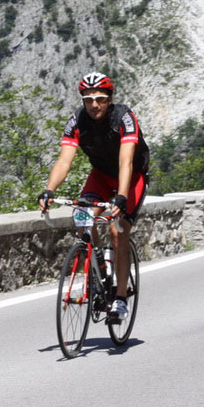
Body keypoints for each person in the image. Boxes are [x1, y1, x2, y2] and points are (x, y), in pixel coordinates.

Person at [38, 72, 149, 323]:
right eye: (88, 99)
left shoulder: (124, 117)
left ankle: (120, 298)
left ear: (110, 99)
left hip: (131, 177)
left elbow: (126, 160)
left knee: (117, 231)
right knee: (82, 219)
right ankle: (100, 265)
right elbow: (64, 160)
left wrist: (121, 197)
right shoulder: (77, 121)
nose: (94, 105)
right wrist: (49, 189)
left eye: (100, 99)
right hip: (100, 175)